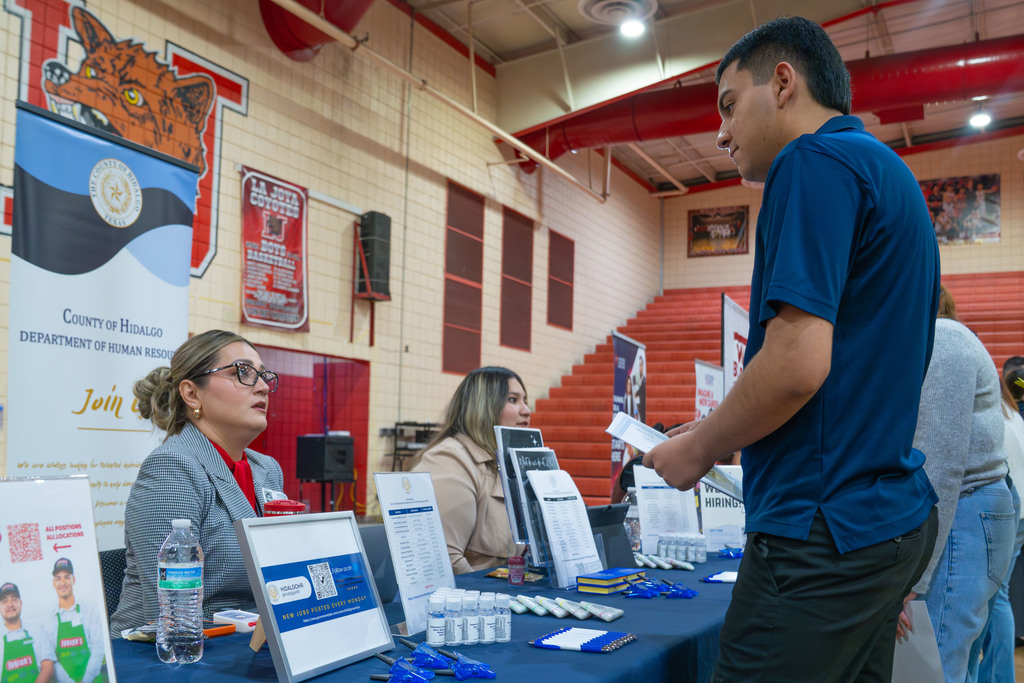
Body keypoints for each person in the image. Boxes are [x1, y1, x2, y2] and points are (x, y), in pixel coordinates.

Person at [642, 16, 940, 681]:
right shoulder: (887, 172)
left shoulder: (810, 161)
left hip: (820, 528)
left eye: (728, 105)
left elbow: (798, 363)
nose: (720, 133)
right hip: (883, 520)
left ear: (783, 83)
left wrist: (698, 448)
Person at [110, 330, 286, 633]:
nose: (262, 387)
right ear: (192, 394)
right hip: (162, 655)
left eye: (264, 375)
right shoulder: (172, 467)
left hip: (247, 645)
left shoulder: (267, 469)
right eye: (243, 372)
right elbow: (173, 611)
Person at [903, 285, 1015, 682]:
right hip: (967, 512)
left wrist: (914, 580)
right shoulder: (940, 342)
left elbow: (940, 470)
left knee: (937, 669)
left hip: (962, 513)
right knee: (952, 663)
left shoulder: (945, 341)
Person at [410, 366, 531, 574]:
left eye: (525, 400)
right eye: (513, 400)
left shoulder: (505, 462)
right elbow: (445, 559)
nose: (526, 410)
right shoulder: (449, 460)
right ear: (483, 407)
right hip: (473, 599)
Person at [967, 374, 1024, 682]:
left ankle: (994, 677)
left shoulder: (993, 416)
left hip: (1007, 507)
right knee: (996, 596)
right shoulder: (1012, 413)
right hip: (1016, 508)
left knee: (993, 598)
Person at [49, 558, 107, 683]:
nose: (63, 582)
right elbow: (52, 658)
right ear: (54, 583)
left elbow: (98, 647)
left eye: (66, 577)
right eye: (58, 578)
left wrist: (86, 679)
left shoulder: (89, 611)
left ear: (73, 580)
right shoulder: (51, 619)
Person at [0, 582, 55, 683]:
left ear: (20, 603)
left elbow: (48, 667)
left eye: (14, 599)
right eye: (4, 601)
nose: (10, 604)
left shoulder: (37, 631)